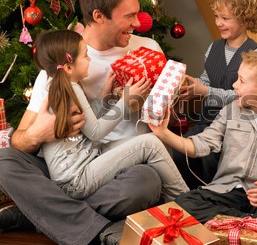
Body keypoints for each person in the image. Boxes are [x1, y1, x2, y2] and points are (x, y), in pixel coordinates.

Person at [0, 0, 179, 245]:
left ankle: (38, 215)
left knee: (145, 182)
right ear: (99, 16)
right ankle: (81, 223)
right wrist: (39, 133)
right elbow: (20, 139)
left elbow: (163, 110)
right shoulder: (63, 63)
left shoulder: (149, 49)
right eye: (128, 16)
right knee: (5, 160)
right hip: (75, 164)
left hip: (122, 168)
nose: (138, 23)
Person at [150, 50, 257, 237]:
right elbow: (200, 145)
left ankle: (232, 227)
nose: (234, 85)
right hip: (225, 193)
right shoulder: (231, 110)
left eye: (241, 81)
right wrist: (163, 133)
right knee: (184, 203)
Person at [34, 29, 188, 201]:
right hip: (75, 179)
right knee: (150, 143)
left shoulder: (65, 85)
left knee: (156, 140)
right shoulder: (70, 89)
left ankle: (174, 199)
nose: (89, 59)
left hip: (89, 157)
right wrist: (125, 102)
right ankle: (186, 201)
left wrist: (105, 96)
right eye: (85, 56)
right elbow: (96, 132)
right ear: (69, 67)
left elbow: (86, 121)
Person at [173, 0, 257, 188]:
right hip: (207, 122)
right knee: (181, 151)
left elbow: (243, 97)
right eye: (217, 17)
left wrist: (206, 91)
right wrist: (193, 88)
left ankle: (212, 194)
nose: (219, 23)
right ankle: (191, 192)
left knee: (211, 157)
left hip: (236, 127)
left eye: (226, 18)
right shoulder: (213, 48)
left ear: (244, 18)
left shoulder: (254, 54)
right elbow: (208, 78)